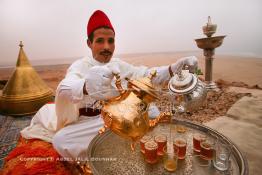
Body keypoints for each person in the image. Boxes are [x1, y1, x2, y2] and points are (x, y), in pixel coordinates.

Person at [21, 10, 198, 162]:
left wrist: (172, 69)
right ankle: (100, 159)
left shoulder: (119, 65)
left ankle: (126, 142)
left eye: (111, 41)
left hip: (121, 119)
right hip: (90, 124)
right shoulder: (80, 66)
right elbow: (64, 88)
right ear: (89, 43)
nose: (107, 47)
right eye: (100, 41)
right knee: (61, 141)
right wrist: (86, 85)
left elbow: (145, 74)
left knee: (151, 111)